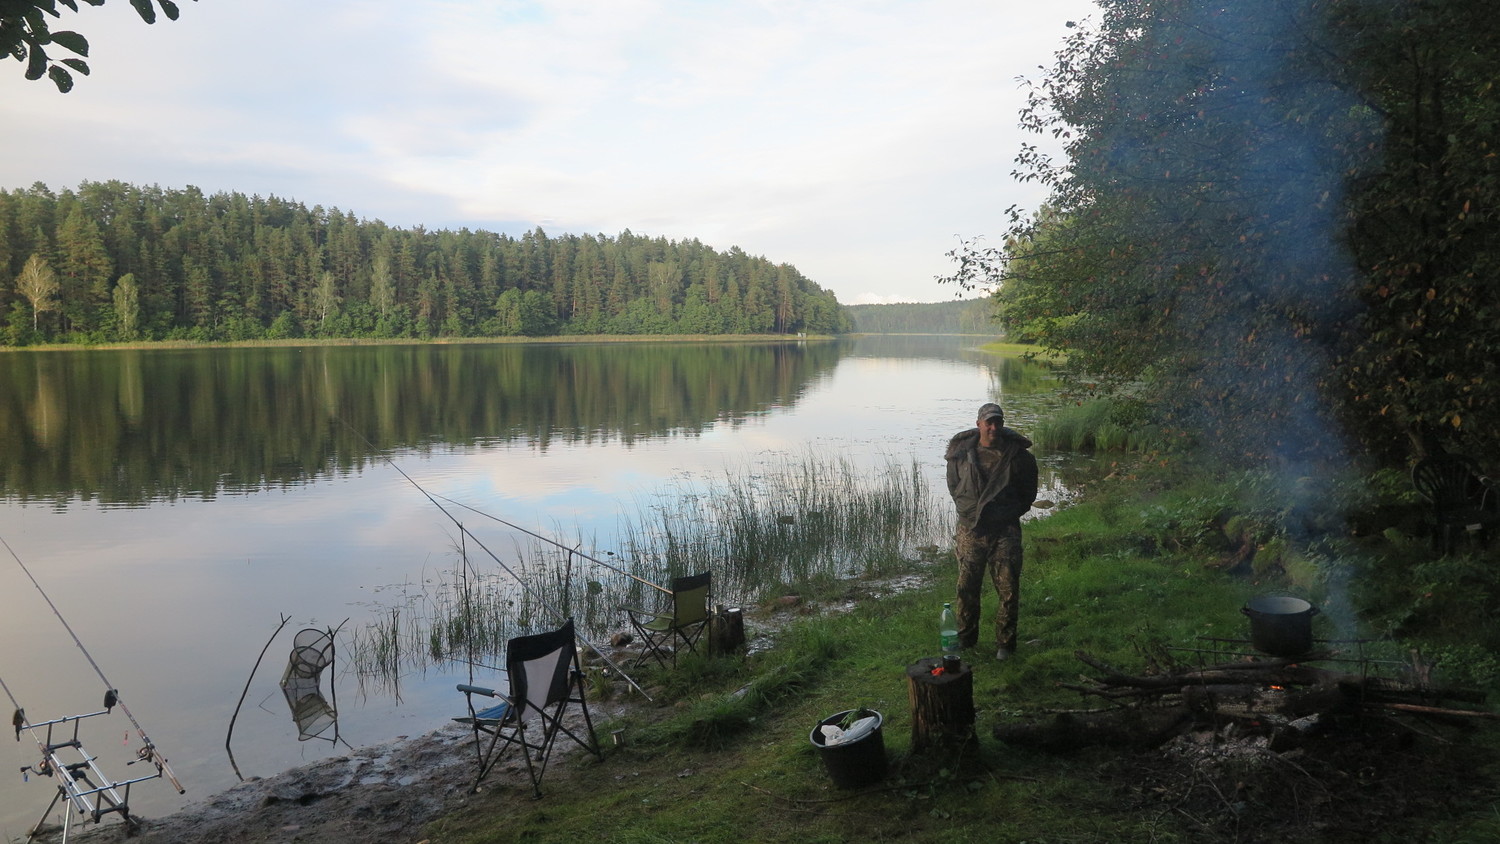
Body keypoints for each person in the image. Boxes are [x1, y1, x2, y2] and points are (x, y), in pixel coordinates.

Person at [944, 401, 1038, 660]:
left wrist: (1005, 515)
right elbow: (953, 487)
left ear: (1002, 424)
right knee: (966, 588)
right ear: (979, 424)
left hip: (1004, 531)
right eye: (989, 422)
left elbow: (1028, 494)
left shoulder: (1020, 457)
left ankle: (1005, 644)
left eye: (998, 422)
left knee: (1008, 589)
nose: (993, 427)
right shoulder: (960, 455)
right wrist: (970, 512)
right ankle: (966, 639)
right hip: (970, 530)